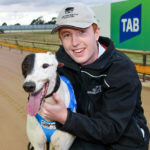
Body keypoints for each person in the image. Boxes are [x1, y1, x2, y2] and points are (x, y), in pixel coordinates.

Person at [41, 2, 150, 150]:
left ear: (96, 33)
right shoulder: (59, 62)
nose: (75, 42)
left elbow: (111, 129)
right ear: (60, 40)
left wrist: (64, 117)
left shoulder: (121, 68)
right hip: (83, 131)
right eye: (67, 35)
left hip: (123, 140)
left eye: (82, 32)